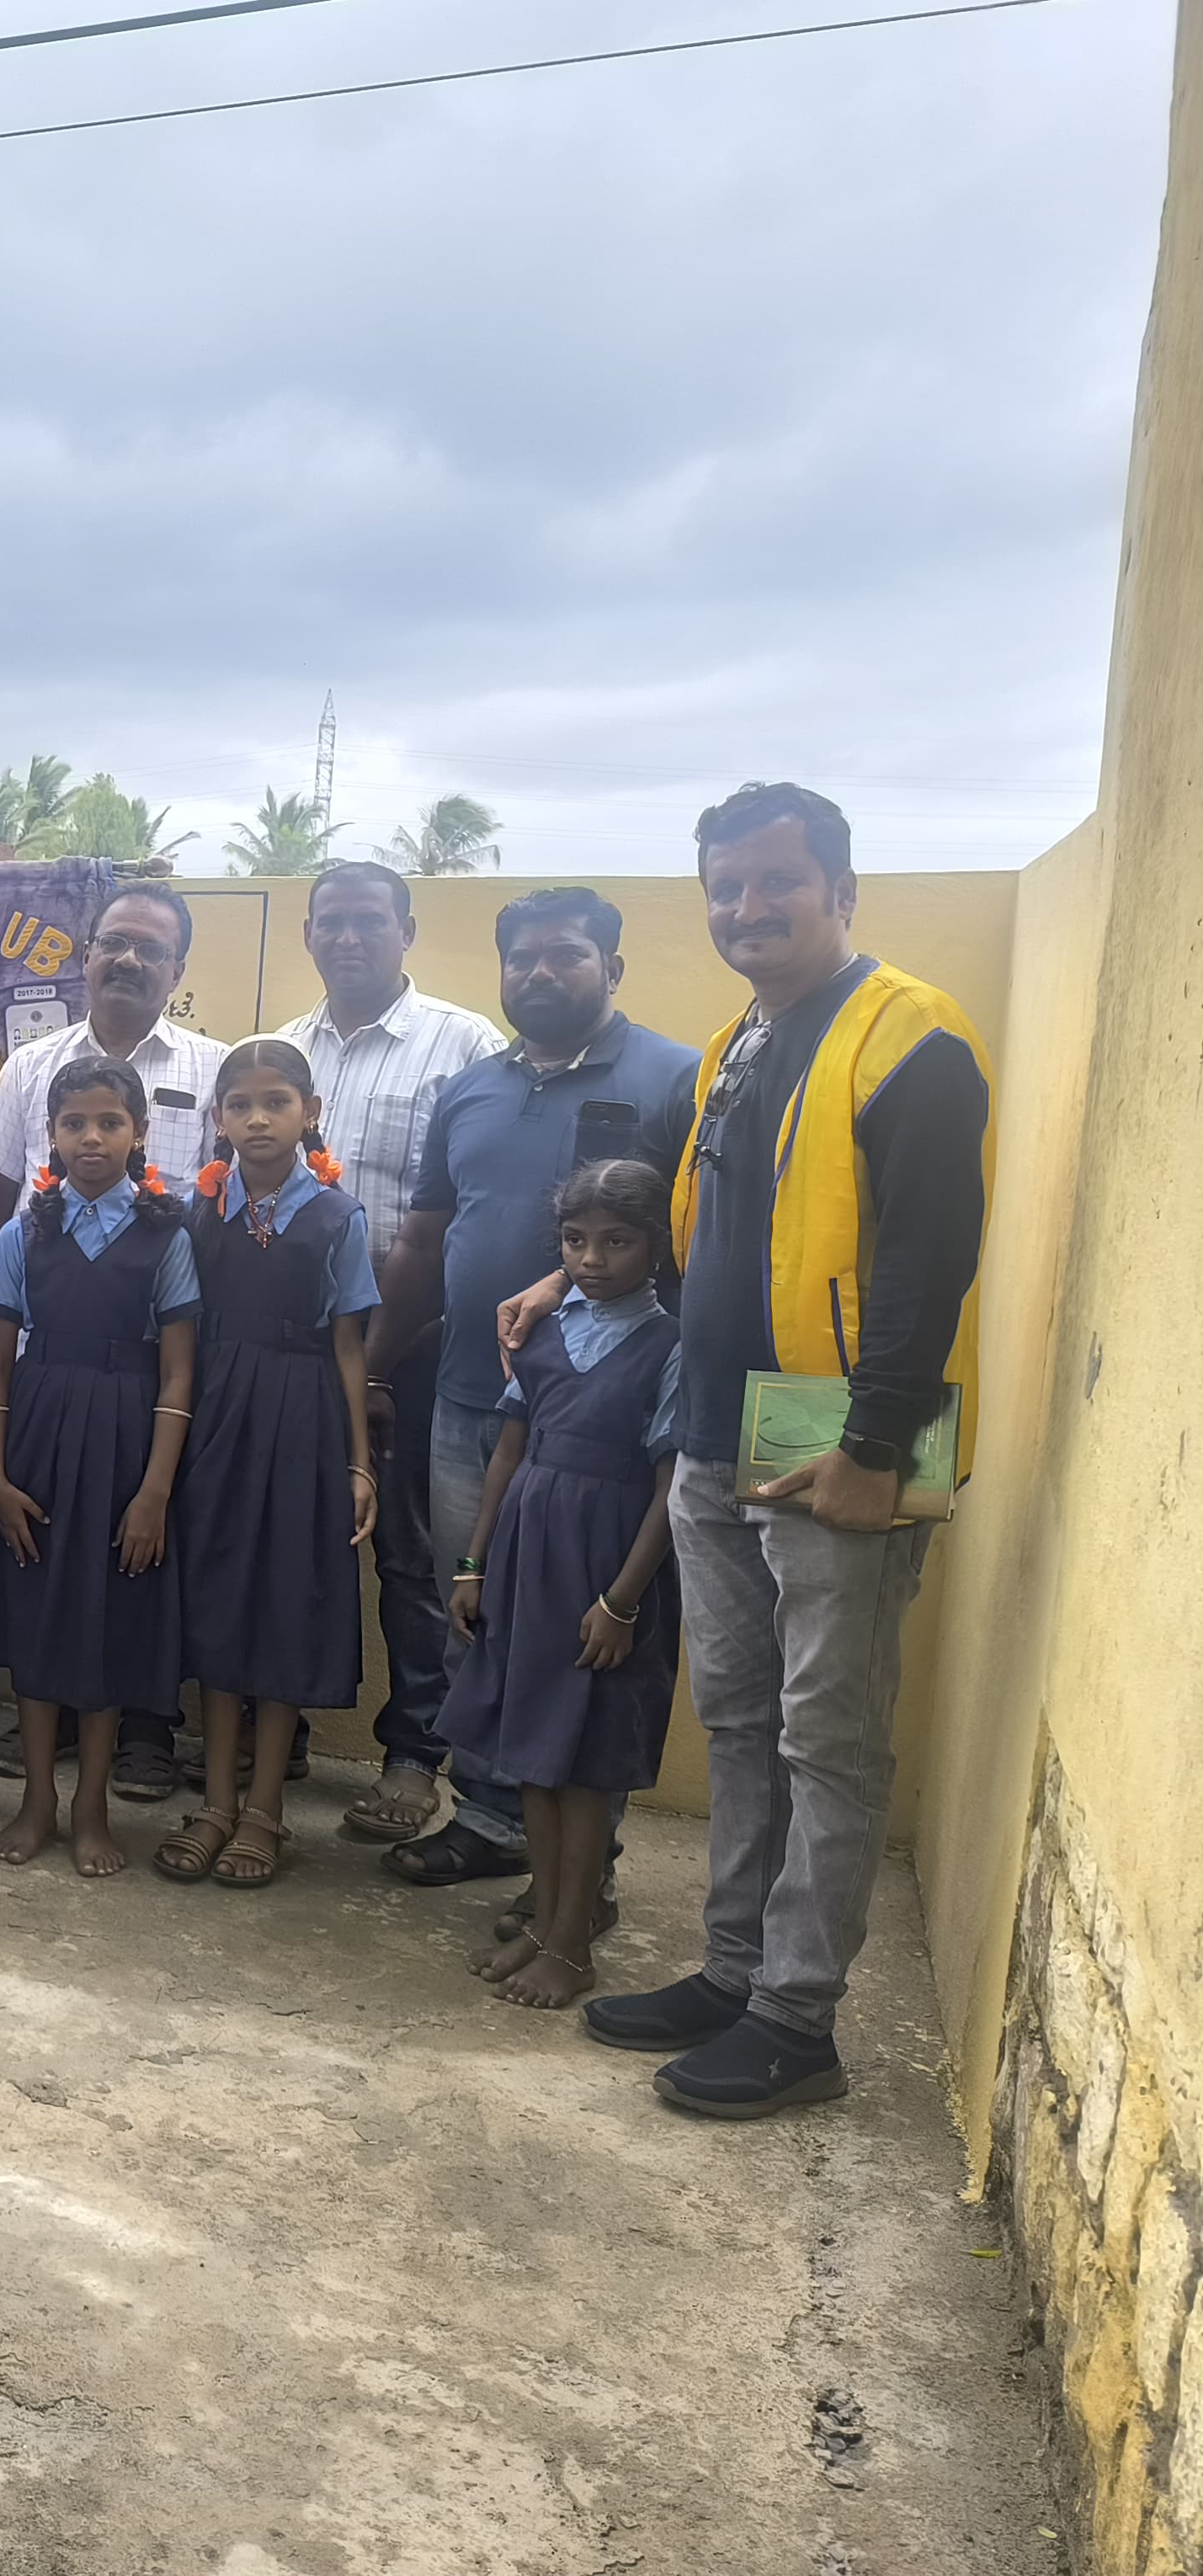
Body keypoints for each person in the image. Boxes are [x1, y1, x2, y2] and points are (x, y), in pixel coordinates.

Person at [512, 785, 990, 2118]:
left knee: (829, 1737)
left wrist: (874, 1441)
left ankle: (797, 2020)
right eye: (725, 887)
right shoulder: (737, 1044)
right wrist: (559, 1280)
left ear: (842, 888)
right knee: (739, 1718)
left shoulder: (911, 1035)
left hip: (844, 1434)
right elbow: (670, 1213)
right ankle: (735, 1970)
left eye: (775, 881)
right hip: (721, 1427)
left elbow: (932, 1256)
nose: (746, 908)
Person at [364, 888, 701, 1888]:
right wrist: (375, 1366)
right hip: (470, 1400)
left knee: (584, 1632)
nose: (541, 974)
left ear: (612, 968)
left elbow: (698, 1241)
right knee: (472, 1610)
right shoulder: (469, 1090)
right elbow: (425, 1239)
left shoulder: (674, 1080)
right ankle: (492, 1819)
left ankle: (581, 1864)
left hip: (601, 1431)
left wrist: (563, 1278)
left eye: (566, 955)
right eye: (524, 959)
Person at [0, 884, 229, 1802]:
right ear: (87, 953)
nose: (129, 960)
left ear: (177, 968)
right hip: (47, 1374)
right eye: (114, 942)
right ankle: (52, 1723)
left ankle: (146, 1730)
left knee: (134, 1558)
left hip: (149, 1365)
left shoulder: (214, 1066)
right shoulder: (33, 1065)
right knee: (49, 1550)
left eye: (151, 949)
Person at [269, 863, 503, 1846]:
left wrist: (377, 1361)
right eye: (331, 923)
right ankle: (272, 1732)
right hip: (289, 1346)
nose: (349, 938)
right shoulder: (281, 1047)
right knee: (280, 1533)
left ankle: (414, 1756)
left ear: (406, 929)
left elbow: (458, 1219)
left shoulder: (466, 1047)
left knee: (410, 1559)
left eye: (370, 921)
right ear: (309, 935)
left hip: (415, 1346)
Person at [442, 1161, 684, 2014]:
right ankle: (545, 1930)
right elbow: (508, 1454)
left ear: (656, 1247)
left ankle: (574, 1945)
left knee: (585, 1768)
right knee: (535, 1762)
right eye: (575, 1241)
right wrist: (474, 1565)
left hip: (607, 1572)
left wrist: (622, 1602)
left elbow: (671, 1489)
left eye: (617, 1242)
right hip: (528, 1560)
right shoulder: (543, 1332)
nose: (592, 1259)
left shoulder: (669, 1347)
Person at [158, 1041, 379, 1890]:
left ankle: (264, 1810)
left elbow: (350, 1347)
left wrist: (359, 1463)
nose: (258, 1119)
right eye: (241, 1104)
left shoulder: (338, 1217)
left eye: (276, 1102)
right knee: (218, 1599)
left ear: (309, 1113)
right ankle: (216, 1801)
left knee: (285, 1604)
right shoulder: (198, 1213)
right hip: (218, 1413)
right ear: (218, 1119)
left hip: (302, 1419)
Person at [0, 1059, 202, 1878]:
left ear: (139, 1133)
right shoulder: (23, 1233)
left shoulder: (166, 1235)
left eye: (110, 1122)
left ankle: (91, 1807)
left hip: (126, 1443)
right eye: (74, 1123)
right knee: (39, 1618)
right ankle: (38, 1799)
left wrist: (154, 1492)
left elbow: (178, 1373)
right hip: (38, 1433)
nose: (91, 1138)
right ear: (51, 1134)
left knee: (108, 1623)